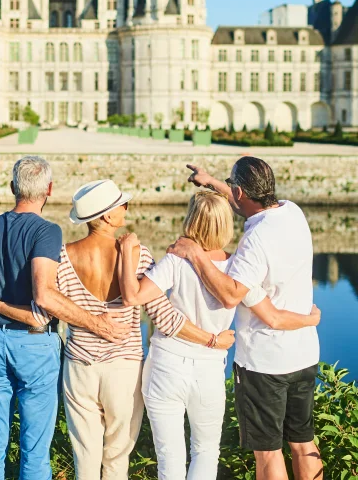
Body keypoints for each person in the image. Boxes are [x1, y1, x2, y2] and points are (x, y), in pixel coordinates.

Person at [0, 179, 237, 480]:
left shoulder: (62, 257)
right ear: (106, 215)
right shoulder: (138, 255)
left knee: (85, 458)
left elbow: (42, 313)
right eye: (122, 205)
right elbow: (164, 317)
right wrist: (212, 340)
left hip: (80, 368)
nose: (127, 208)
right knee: (117, 458)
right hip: (124, 370)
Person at [118, 191, 320, 480]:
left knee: (169, 456)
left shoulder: (177, 260)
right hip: (209, 369)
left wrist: (127, 254)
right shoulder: (239, 270)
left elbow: (133, 296)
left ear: (192, 221)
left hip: (166, 364)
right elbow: (273, 315)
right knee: (206, 451)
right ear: (226, 225)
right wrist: (310, 319)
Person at [0, 158, 133, 480]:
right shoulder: (46, 231)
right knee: (34, 446)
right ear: (49, 190)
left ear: (13, 188)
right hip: (34, 345)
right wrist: (99, 324)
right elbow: (45, 296)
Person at [168, 157, 322, 480]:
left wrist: (195, 254)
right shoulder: (293, 212)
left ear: (239, 193)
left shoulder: (254, 241)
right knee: (303, 443)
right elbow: (243, 200)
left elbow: (230, 294)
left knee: (268, 453)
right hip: (305, 355)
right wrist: (212, 182)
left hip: (265, 365)